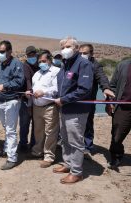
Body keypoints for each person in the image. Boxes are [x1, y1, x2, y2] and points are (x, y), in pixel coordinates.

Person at [53, 36, 93, 184]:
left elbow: (84, 89)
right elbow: (62, 86)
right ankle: (68, 164)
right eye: (62, 47)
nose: (65, 49)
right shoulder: (65, 64)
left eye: (68, 46)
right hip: (64, 109)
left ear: (76, 48)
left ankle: (76, 172)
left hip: (76, 110)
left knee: (75, 141)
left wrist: (64, 99)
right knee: (65, 139)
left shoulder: (83, 64)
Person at [79, 44, 115, 155]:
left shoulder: (95, 65)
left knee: (88, 124)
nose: (82, 55)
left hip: (89, 101)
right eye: (80, 53)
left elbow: (102, 77)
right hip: (74, 100)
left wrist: (106, 88)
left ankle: (88, 147)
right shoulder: (76, 63)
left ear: (91, 54)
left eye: (85, 53)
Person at [27, 50, 60, 168]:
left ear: (50, 60)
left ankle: (49, 156)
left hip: (50, 107)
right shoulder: (37, 73)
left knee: (50, 132)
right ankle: (37, 152)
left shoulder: (56, 71)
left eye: (44, 61)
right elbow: (34, 88)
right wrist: (30, 92)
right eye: (40, 61)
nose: (42, 63)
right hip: (37, 106)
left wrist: (44, 92)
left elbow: (56, 88)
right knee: (38, 131)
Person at [0, 40, 24, 170]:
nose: (0, 54)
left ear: (10, 51)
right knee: (6, 127)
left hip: (12, 101)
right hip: (0, 101)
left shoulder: (16, 64)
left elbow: (19, 82)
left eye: (2, 51)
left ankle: (12, 158)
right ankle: (7, 149)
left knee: (11, 130)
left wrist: (4, 86)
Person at [106, 59, 131, 169]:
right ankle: (116, 155)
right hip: (123, 106)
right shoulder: (123, 65)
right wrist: (110, 101)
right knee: (117, 135)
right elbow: (113, 85)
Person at [18, 46, 39, 152]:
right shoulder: (24, 66)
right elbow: (26, 80)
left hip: (38, 100)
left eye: (33, 55)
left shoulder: (40, 65)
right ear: (27, 56)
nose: (32, 57)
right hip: (26, 99)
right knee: (24, 123)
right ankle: (22, 144)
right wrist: (29, 91)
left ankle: (33, 144)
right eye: (29, 55)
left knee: (36, 124)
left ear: (36, 54)